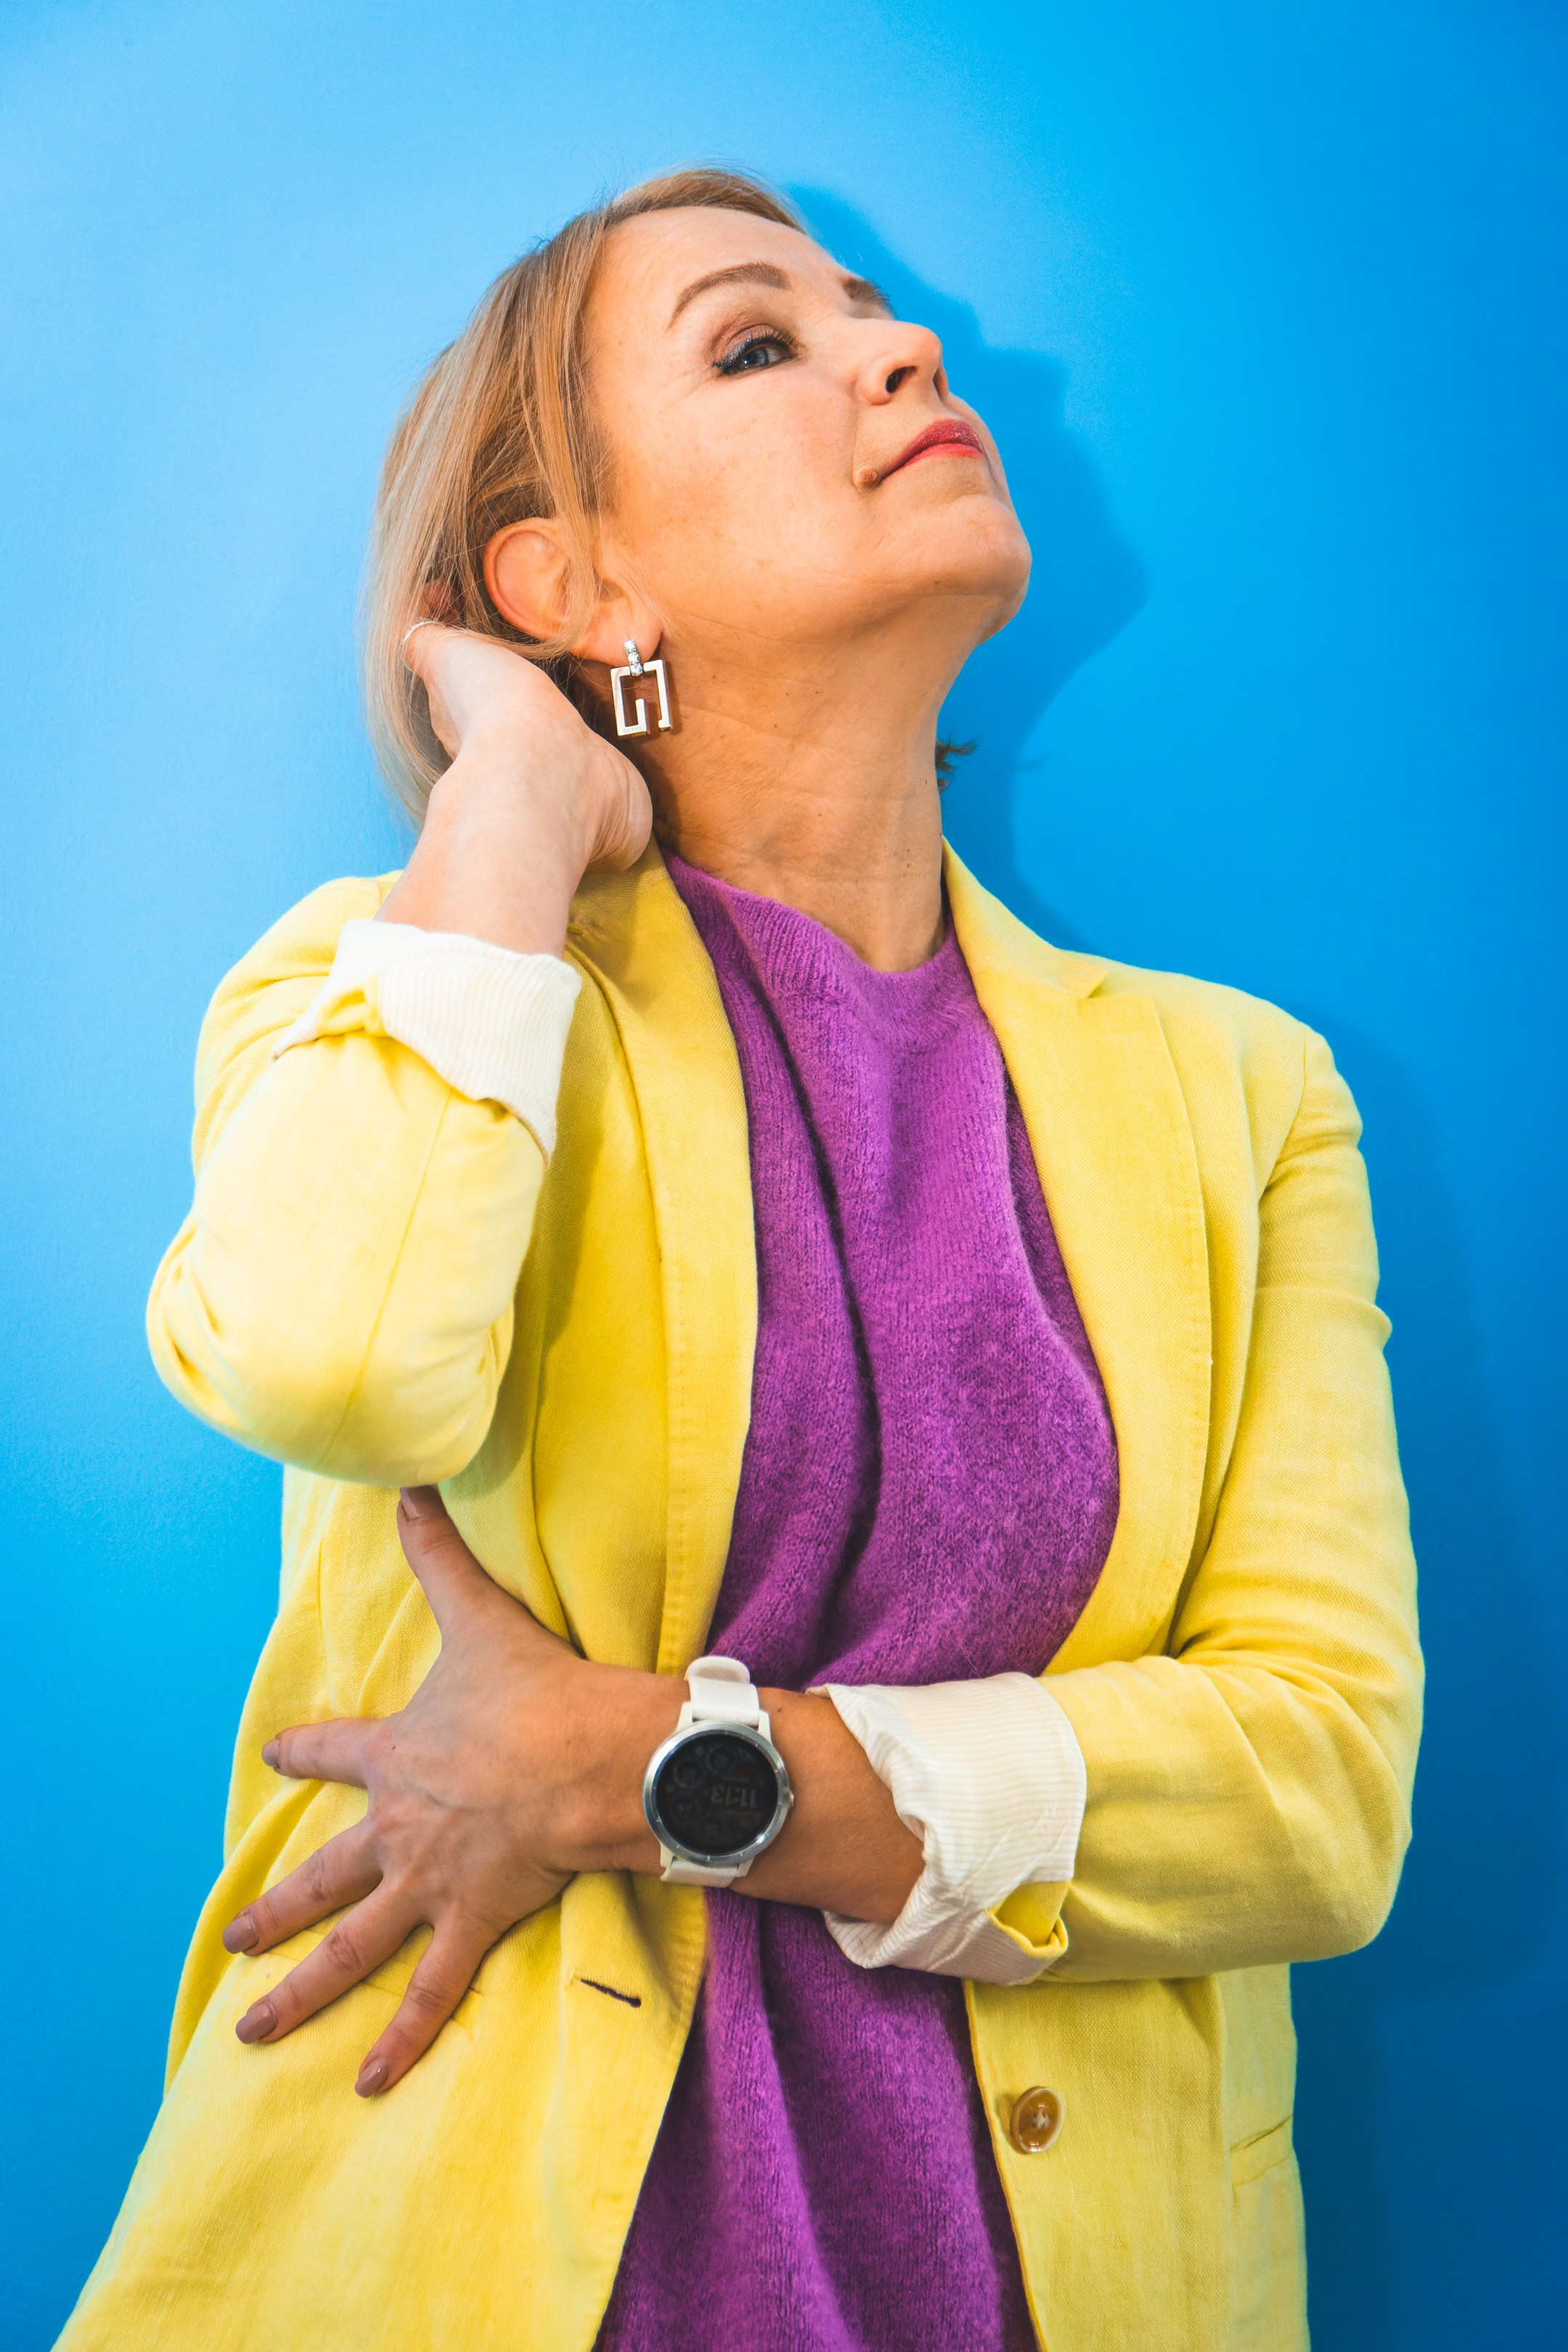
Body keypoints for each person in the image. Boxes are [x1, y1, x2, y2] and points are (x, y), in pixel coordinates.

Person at [58, 168, 1421, 2352]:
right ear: (570, 578)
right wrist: (510, 796)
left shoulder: (1242, 1097)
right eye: (759, 342)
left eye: (887, 320)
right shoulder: (400, 982)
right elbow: (326, 1359)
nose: (911, 356)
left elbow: (1320, 1790)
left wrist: (673, 1769)